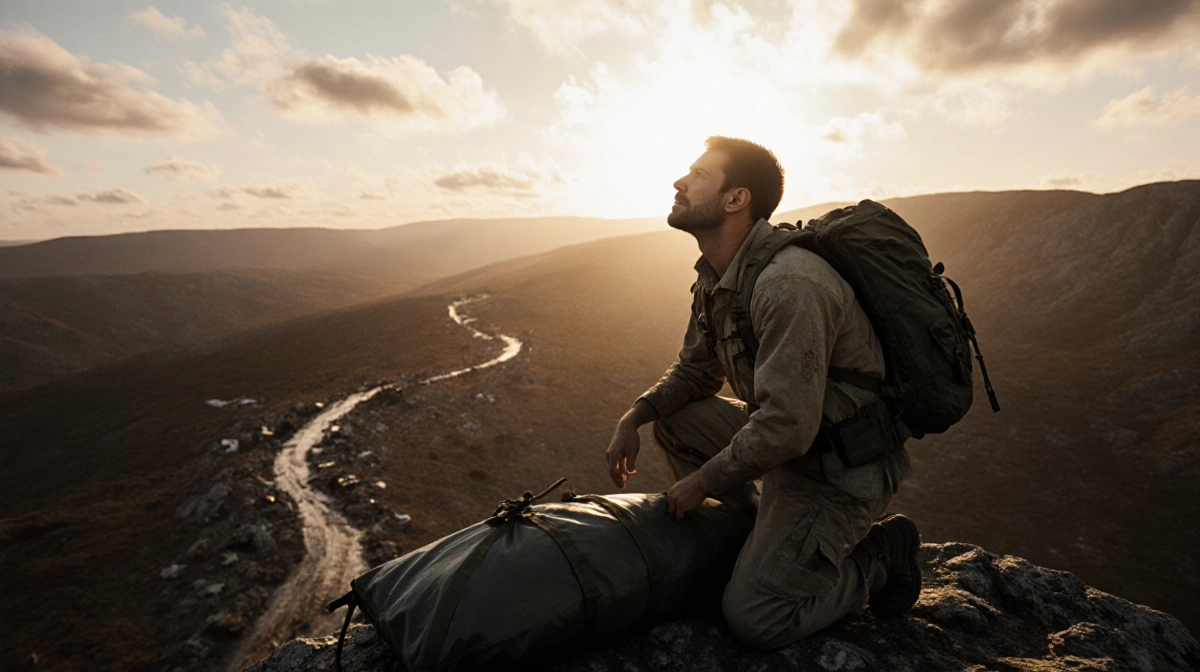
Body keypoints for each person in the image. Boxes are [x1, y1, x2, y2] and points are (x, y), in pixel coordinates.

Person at [604, 136, 922, 648]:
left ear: (736, 199)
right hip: (792, 448)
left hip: (838, 469)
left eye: (699, 175)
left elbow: (786, 427)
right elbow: (695, 374)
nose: (679, 182)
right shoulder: (719, 278)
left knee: (756, 618)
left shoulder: (788, 285)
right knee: (676, 420)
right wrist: (635, 416)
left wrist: (704, 481)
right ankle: (755, 539)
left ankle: (882, 552)